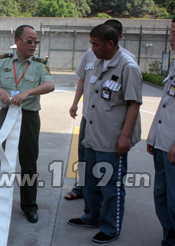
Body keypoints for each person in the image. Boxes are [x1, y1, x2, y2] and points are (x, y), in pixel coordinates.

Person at [68, 24, 142, 244]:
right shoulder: (98, 62)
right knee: (90, 179)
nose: (93, 49)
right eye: (91, 44)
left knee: (110, 185)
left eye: (96, 44)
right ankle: (91, 216)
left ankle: (110, 228)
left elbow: (134, 104)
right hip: (92, 133)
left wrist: (125, 136)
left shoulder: (128, 66)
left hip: (111, 139)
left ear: (111, 43)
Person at [0, 25, 55, 223]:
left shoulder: (40, 64)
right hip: (6, 115)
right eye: (29, 40)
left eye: (35, 41)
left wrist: (28, 92)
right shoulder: (3, 61)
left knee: (28, 161)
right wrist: (1, 93)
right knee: (3, 160)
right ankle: (1, 203)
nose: (33, 45)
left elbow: (50, 84)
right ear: (17, 41)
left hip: (29, 117)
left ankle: (29, 205)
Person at [146, 17, 175, 246]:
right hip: (161, 144)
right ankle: (169, 238)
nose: (171, 38)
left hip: (173, 147)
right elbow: (166, 103)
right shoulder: (174, 64)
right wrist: (153, 136)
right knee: (162, 197)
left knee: (174, 200)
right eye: (171, 33)